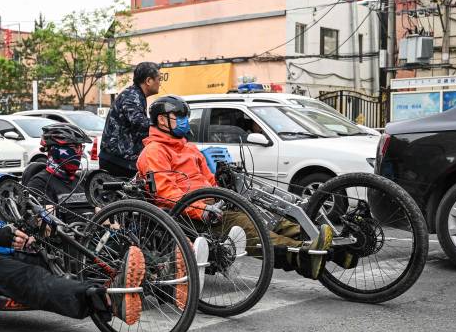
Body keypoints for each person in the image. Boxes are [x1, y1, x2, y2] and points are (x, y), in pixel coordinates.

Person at [0, 113, 146, 324]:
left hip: (2, 250)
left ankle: (134, 281)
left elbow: (10, 214)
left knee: (59, 261)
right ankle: (104, 301)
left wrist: (27, 229)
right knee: (29, 277)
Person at [137, 95, 336, 280]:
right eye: (179, 116)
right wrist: (202, 209)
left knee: (268, 216)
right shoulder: (153, 152)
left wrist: (226, 198)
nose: (185, 121)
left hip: (213, 202)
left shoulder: (188, 147)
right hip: (190, 213)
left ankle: (335, 249)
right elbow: (165, 194)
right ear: (162, 120)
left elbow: (209, 180)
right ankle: (302, 254)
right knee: (248, 225)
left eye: (185, 117)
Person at [99, 61, 163, 178]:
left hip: (124, 159)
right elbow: (139, 121)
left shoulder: (136, 94)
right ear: (149, 81)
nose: (160, 83)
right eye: (159, 79)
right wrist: (164, 126)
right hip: (118, 161)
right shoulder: (132, 96)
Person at [25, 122, 93, 209]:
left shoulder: (81, 181)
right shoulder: (39, 184)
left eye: (80, 147)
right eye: (73, 147)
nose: (79, 152)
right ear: (54, 150)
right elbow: (43, 221)